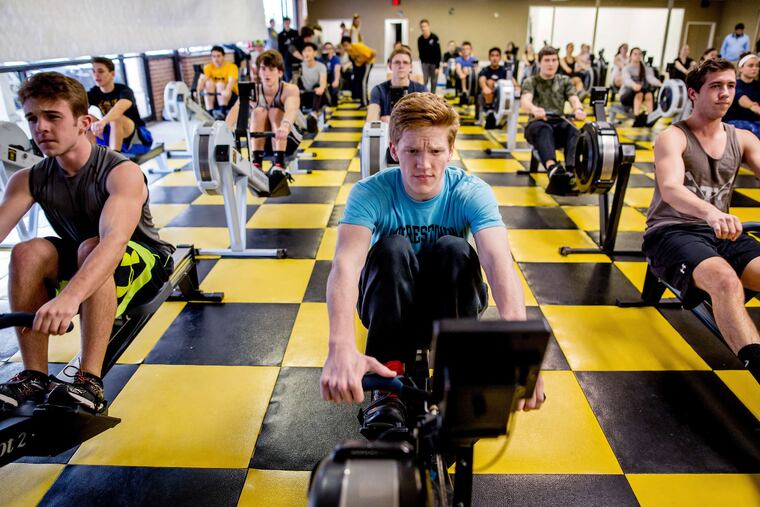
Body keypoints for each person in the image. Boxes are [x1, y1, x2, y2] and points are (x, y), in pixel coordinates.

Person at [319, 92, 545, 422]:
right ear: (394, 150)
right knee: (392, 249)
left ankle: (455, 380)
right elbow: (346, 264)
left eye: (436, 151)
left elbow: (498, 262)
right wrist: (339, 344)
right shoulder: (370, 192)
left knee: (454, 248)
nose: (423, 164)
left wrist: (521, 351)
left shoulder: (471, 191)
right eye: (411, 151)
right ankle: (388, 385)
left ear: (451, 151)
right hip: (390, 303)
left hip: (451, 299)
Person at [0, 72, 174, 413]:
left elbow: (114, 242)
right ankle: (34, 375)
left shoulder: (119, 171)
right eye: (33, 118)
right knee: (26, 252)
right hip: (86, 255)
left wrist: (70, 297)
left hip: (144, 261)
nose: (41, 128)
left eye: (53, 117)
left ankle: (89, 381)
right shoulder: (28, 179)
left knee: (91, 247)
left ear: (84, 123)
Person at [643, 58, 760, 382]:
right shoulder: (674, 136)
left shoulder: (744, 140)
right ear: (693, 93)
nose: (725, 94)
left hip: (725, 232)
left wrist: (718, 219)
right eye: (716, 86)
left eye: (731, 86)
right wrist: (711, 212)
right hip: (672, 231)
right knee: (725, 282)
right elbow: (670, 189)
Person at [520, 46, 586, 195]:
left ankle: (571, 171)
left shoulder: (564, 80)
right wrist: (534, 109)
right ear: (539, 62)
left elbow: (574, 98)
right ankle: (553, 169)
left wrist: (578, 109)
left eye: (554, 60)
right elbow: (525, 101)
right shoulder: (531, 81)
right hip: (536, 126)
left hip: (558, 124)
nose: (551, 64)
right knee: (545, 129)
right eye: (547, 60)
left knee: (573, 129)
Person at [225, 50, 300, 177]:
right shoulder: (253, 91)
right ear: (259, 72)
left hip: (288, 139)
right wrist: (223, 130)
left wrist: (285, 126)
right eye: (263, 69)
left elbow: (292, 109)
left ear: (280, 72)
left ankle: (279, 164)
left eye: (272, 69)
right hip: (262, 143)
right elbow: (236, 109)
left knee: (274, 111)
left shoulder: (289, 89)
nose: (267, 73)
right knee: (259, 111)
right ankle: (257, 163)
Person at [87, 57, 153, 155]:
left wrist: (104, 121)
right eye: (94, 71)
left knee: (116, 118)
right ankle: (90, 157)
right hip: (112, 136)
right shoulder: (94, 92)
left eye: (100, 71)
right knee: (88, 119)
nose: (96, 75)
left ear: (112, 74)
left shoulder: (124, 90)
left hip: (137, 139)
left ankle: (114, 159)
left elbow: (120, 108)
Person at [368, 46, 427, 123]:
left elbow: (426, 119)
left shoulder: (421, 90)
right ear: (390, 66)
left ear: (411, 67)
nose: (401, 66)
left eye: (405, 62)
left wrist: (392, 120)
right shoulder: (379, 90)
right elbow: (371, 119)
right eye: (397, 62)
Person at [620, 47, 662, 126]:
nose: (638, 56)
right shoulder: (626, 68)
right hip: (626, 96)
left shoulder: (646, 68)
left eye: (639, 54)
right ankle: (637, 118)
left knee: (649, 94)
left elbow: (651, 78)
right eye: (635, 54)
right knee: (639, 93)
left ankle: (650, 118)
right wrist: (634, 85)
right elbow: (626, 79)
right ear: (631, 56)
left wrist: (660, 84)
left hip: (640, 93)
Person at [197, 45, 239, 118]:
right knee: (208, 83)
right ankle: (209, 113)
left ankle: (223, 112)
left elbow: (231, 82)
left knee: (220, 84)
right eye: (213, 56)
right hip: (215, 97)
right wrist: (196, 91)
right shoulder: (208, 67)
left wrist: (227, 90)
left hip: (230, 96)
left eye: (218, 56)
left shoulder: (232, 67)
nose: (216, 59)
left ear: (223, 56)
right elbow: (202, 80)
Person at [724, 54, 760, 138]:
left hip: (754, 122)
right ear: (740, 68)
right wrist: (752, 106)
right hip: (733, 122)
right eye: (751, 65)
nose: (755, 68)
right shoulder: (733, 84)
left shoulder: (758, 85)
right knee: (753, 129)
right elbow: (741, 98)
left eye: (757, 66)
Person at [300, 42, 328, 131]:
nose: (306, 53)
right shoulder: (299, 66)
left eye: (309, 51)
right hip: (305, 93)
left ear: (315, 53)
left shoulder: (321, 66)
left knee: (317, 87)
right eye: (304, 51)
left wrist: (321, 88)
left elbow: (323, 82)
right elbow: (292, 81)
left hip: (318, 95)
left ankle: (314, 114)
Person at [341, 36, 376, 108]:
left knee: (363, 82)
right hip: (361, 64)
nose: (345, 47)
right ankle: (364, 101)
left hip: (368, 63)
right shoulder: (348, 51)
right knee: (359, 82)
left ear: (350, 44)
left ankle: (365, 104)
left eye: (346, 45)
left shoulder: (358, 47)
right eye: (344, 46)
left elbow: (373, 52)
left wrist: (368, 61)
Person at [417, 19, 441, 94]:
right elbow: (420, 52)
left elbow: (438, 53)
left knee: (434, 82)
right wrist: (422, 63)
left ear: (428, 26)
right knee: (424, 80)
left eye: (425, 26)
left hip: (434, 64)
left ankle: (433, 96)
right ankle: (424, 96)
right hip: (425, 64)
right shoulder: (420, 39)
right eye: (422, 27)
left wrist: (437, 66)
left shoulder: (435, 37)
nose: (423, 28)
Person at [278, 17, 301, 82]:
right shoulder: (280, 35)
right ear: (283, 23)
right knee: (288, 75)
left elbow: (298, 45)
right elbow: (280, 48)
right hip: (286, 58)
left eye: (288, 22)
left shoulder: (295, 32)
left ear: (290, 22)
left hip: (295, 57)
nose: (287, 24)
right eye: (285, 22)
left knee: (297, 74)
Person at [321, 42, 342, 106]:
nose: (328, 50)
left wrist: (336, 80)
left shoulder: (336, 58)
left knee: (335, 79)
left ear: (333, 50)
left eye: (330, 48)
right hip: (323, 76)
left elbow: (337, 69)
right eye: (326, 48)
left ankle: (334, 97)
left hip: (332, 76)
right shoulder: (321, 58)